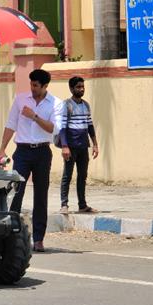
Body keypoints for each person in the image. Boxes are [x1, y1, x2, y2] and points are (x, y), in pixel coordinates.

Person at [0, 69, 56, 252]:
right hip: (22, 152)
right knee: (16, 193)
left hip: (42, 152)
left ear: (45, 86)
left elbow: (52, 129)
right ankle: (12, 234)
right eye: (31, 84)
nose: (32, 88)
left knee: (41, 196)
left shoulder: (54, 103)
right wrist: (2, 148)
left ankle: (38, 239)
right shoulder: (20, 99)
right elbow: (10, 124)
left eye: (36, 85)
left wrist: (34, 116)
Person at [59, 77, 99, 214]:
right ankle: (64, 204)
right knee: (67, 176)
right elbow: (62, 128)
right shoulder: (66, 105)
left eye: (83, 87)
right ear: (71, 89)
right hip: (70, 147)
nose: (81, 89)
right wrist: (65, 146)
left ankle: (82, 205)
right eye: (78, 87)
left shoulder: (86, 105)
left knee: (82, 176)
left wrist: (95, 144)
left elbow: (90, 126)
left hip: (83, 146)